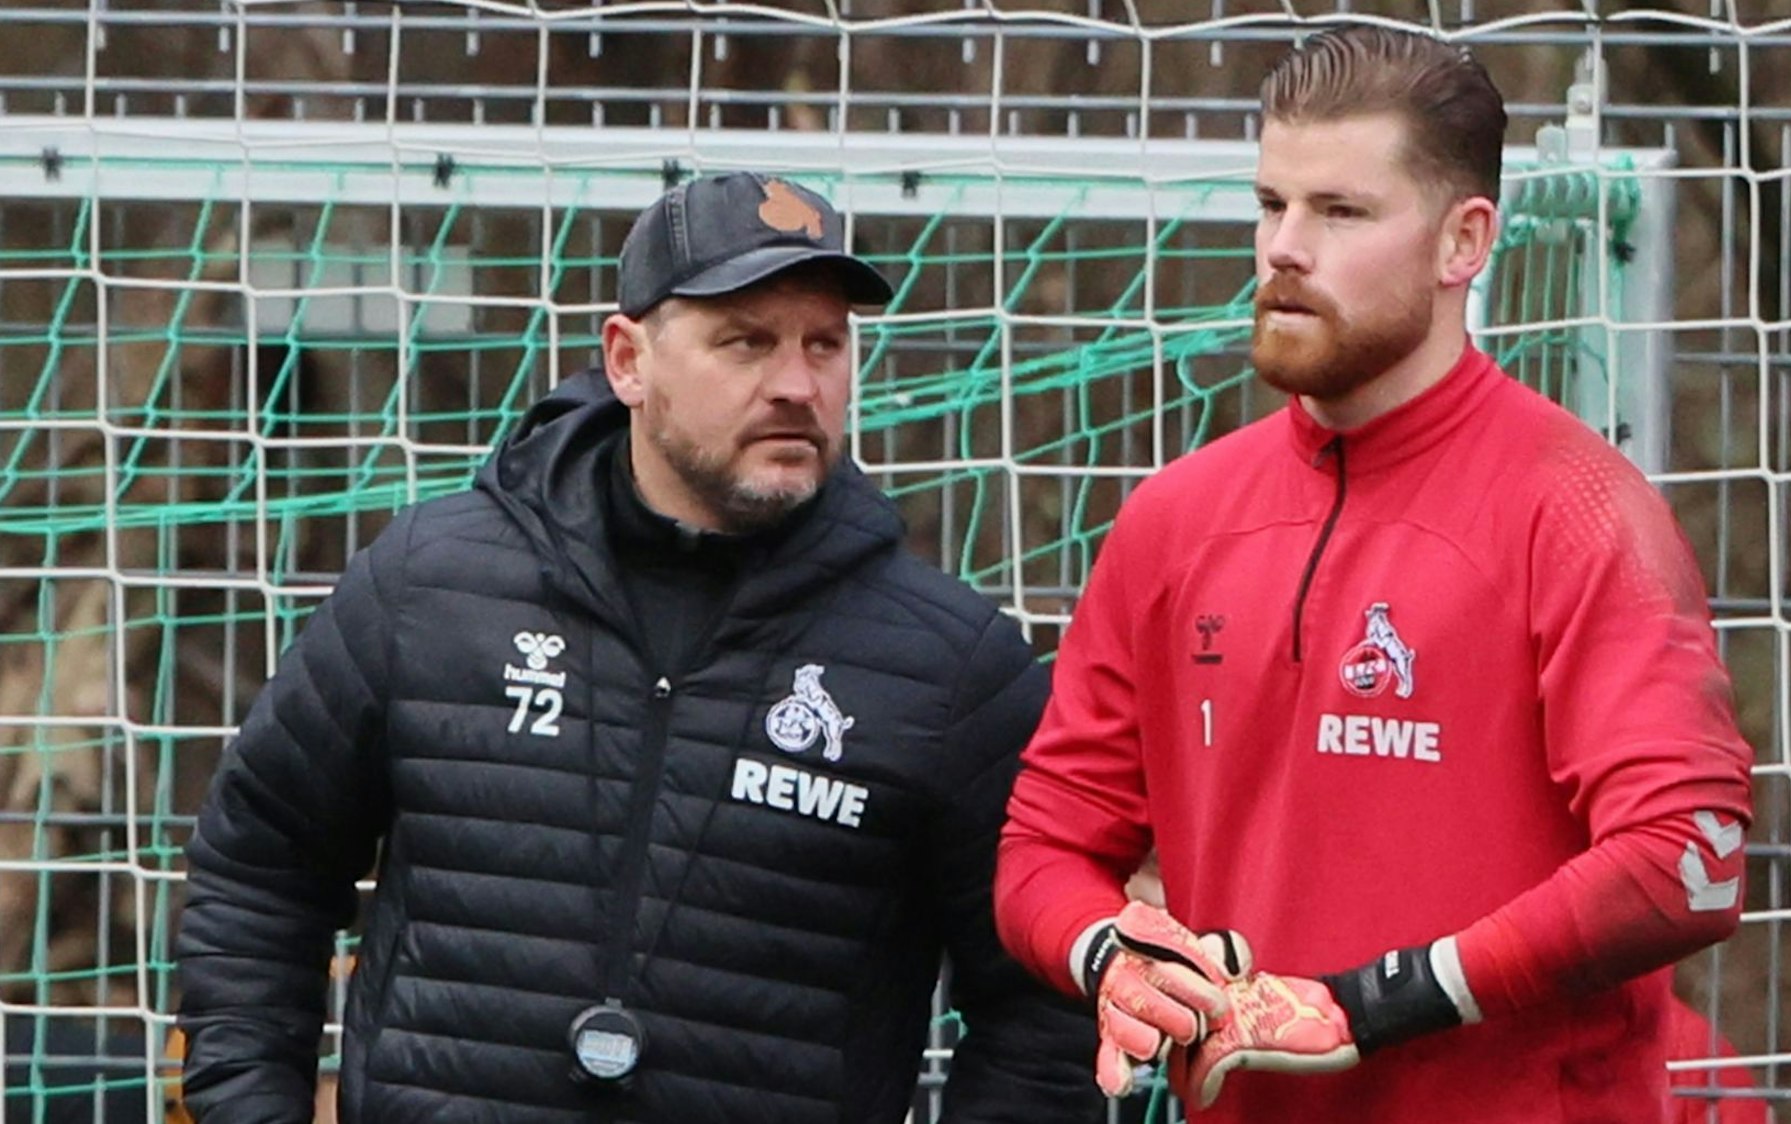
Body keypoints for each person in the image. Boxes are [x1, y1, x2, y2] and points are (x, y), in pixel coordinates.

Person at [174, 171, 1099, 1123]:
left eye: (824, 344)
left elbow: (1041, 1004)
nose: (796, 384)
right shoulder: (430, 584)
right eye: (746, 342)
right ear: (628, 360)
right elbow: (259, 869)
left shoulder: (950, 667)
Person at [994, 24, 1755, 1124]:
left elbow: (1686, 858)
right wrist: (1111, 950)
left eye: (1339, 212)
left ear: (1464, 241)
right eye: (1270, 206)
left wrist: (1373, 1001)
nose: (1283, 249)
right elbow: (1044, 846)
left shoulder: (1580, 510)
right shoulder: (1173, 519)